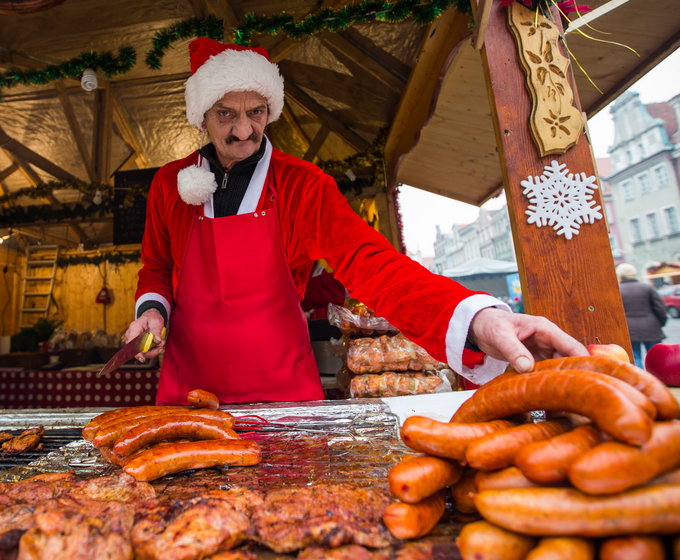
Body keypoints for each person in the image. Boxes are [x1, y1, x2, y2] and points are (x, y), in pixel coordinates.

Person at [124, 38, 587, 405]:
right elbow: (157, 266)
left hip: (282, 389)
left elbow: (372, 263)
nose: (243, 131)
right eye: (226, 114)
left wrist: (476, 320)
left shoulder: (302, 185)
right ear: (201, 115)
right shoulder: (170, 184)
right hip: (189, 391)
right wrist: (151, 311)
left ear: (271, 110)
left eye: (256, 113)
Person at [616, 263, 667, 368]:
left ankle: (641, 381)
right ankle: (659, 381)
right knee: (656, 357)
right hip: (651, 327)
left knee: (635, 358)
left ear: (620, 274)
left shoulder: (617, 290)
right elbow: (660, 308)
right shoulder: (647, 287)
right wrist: (661, 322)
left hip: (629, 330)